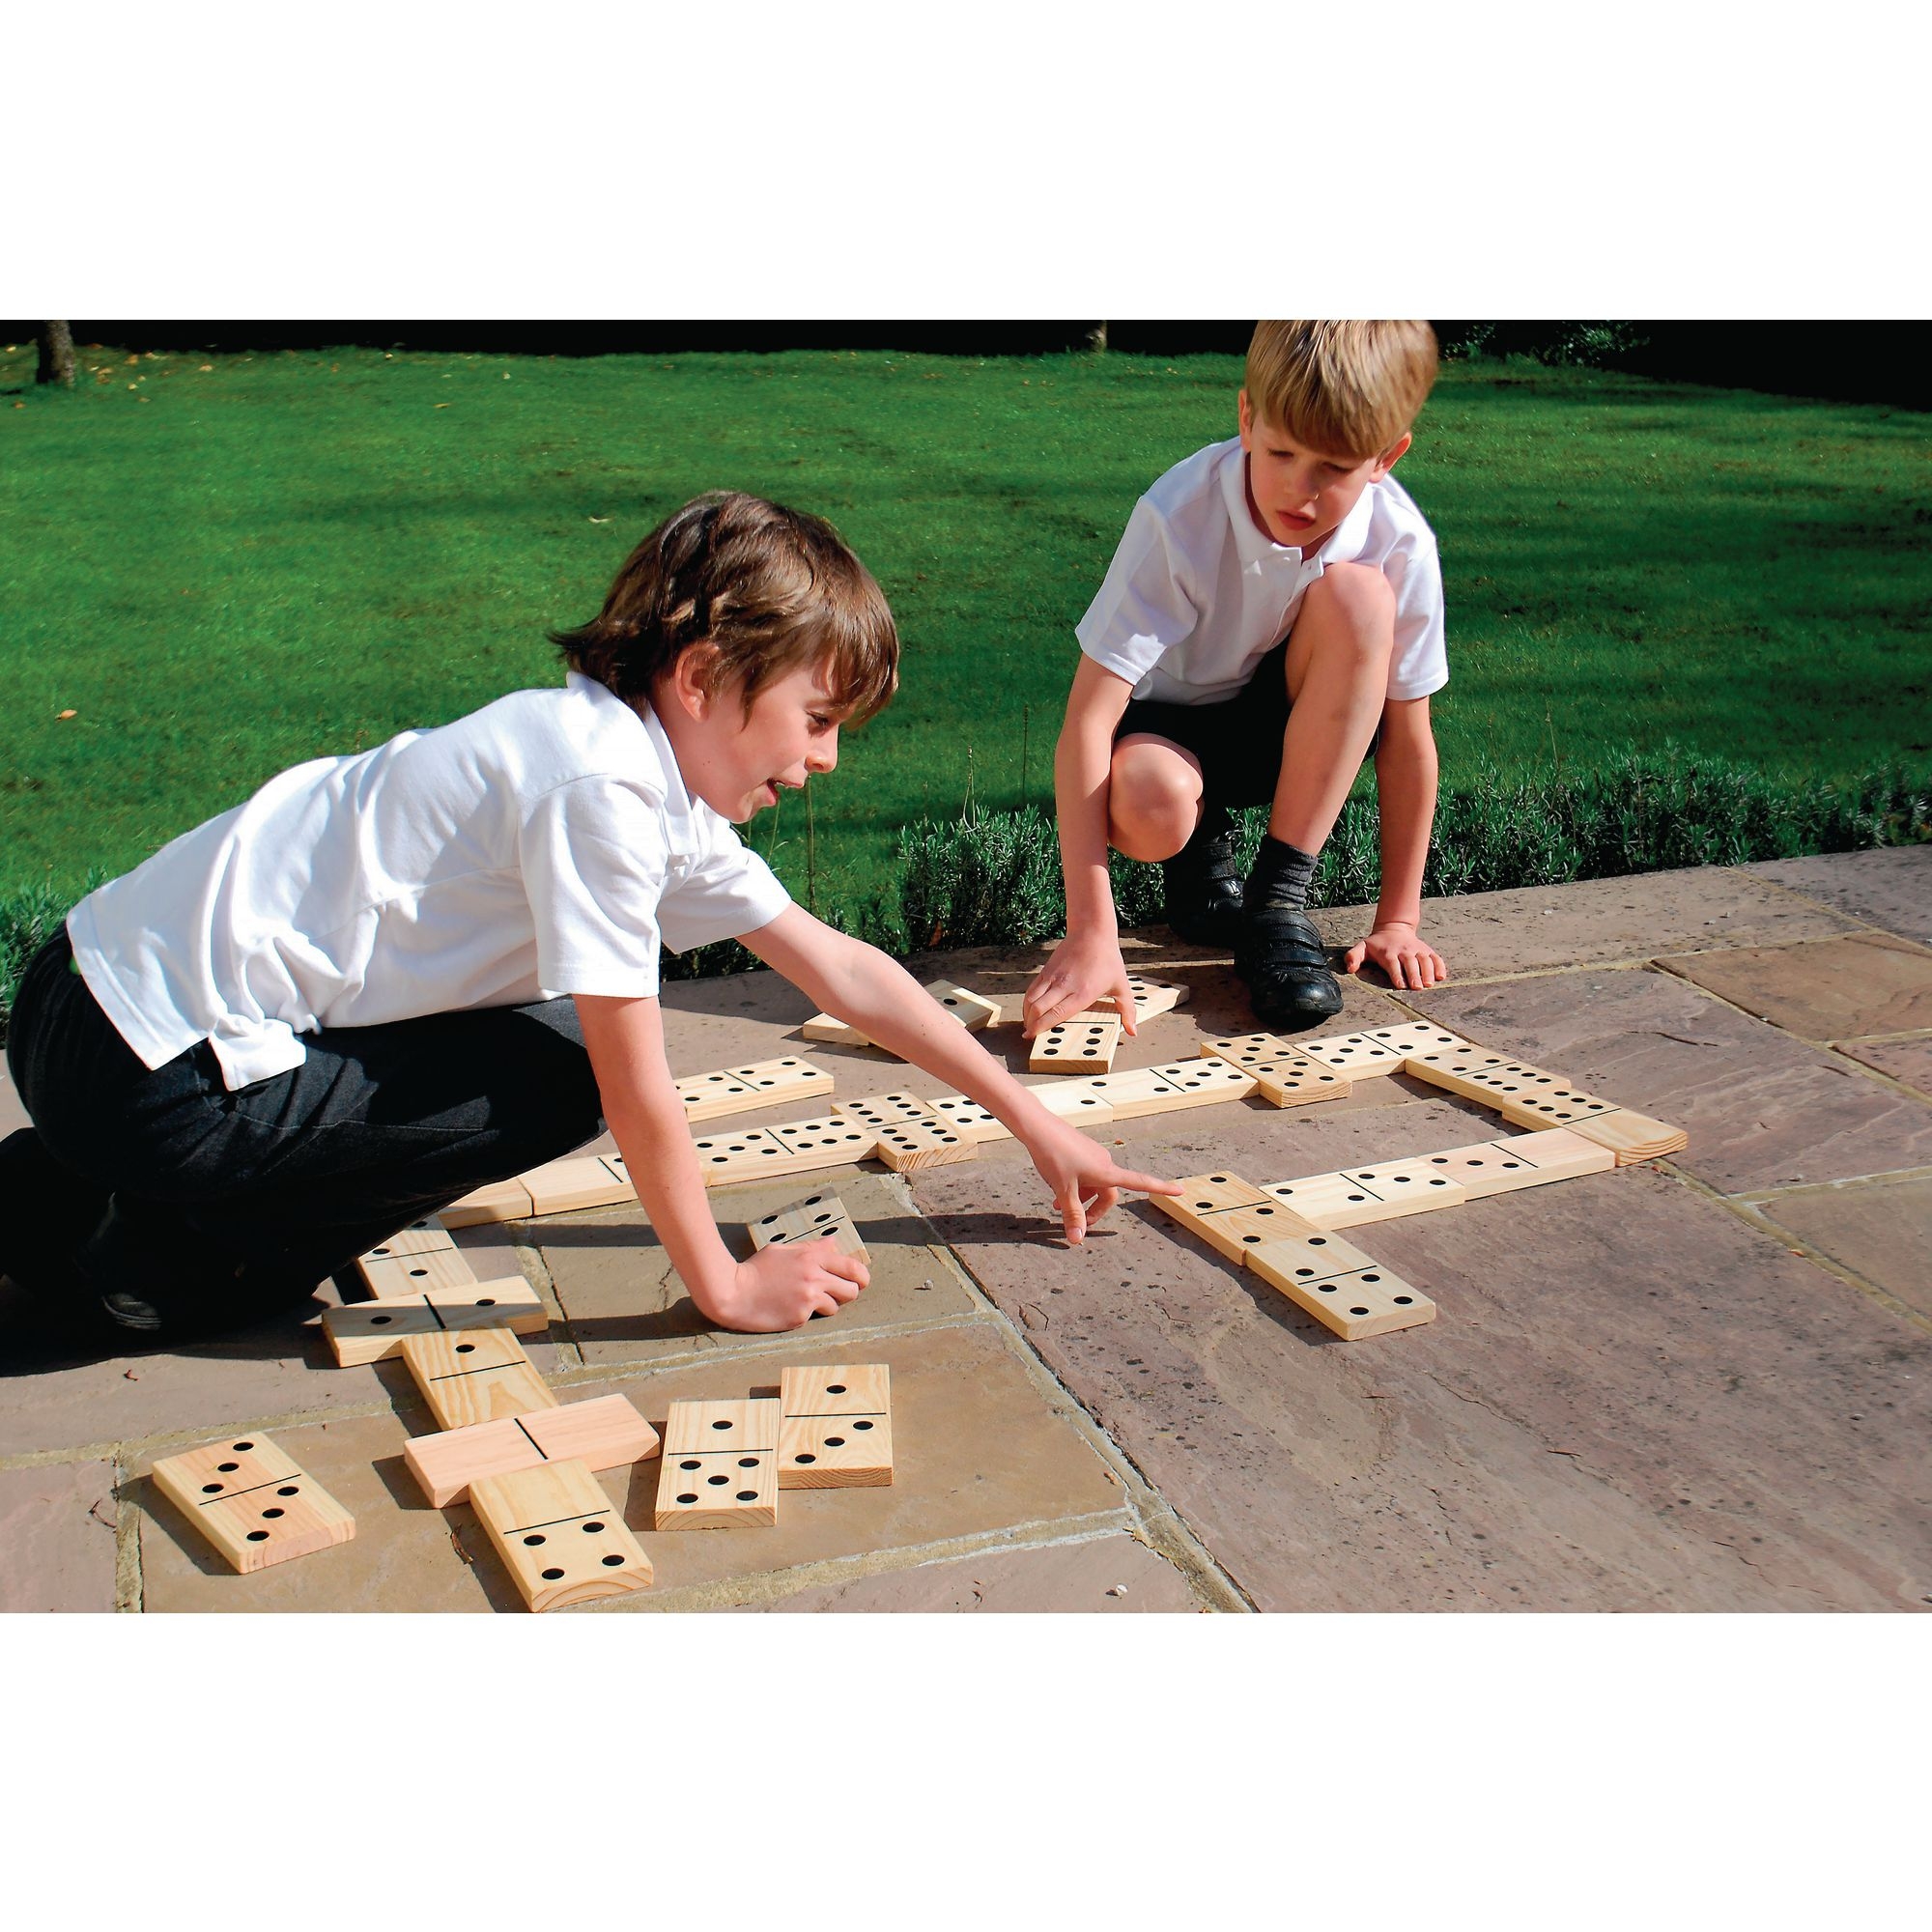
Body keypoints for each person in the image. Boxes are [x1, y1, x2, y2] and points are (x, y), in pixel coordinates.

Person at [3, 492, 1177, 1350]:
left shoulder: (613, 760)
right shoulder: (597, 793)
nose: (822, 759)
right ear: (704, 673)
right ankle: (149, 1272)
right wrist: (720, 1281)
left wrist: (1033, 1120)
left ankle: (40, 1195)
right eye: (815, 719)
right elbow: (634, 1082)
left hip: (86, 1003)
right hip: (142, 1075)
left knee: (540, 1035)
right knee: (562, 1067)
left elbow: (845, 972)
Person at [1023, 320, 1451, 1045]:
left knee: (1360, 599)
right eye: (1281, 452)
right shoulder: (1180, 515)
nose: (1300, 490)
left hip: (1282, 728)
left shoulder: (1400, 541)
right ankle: (1196, 857)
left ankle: (1278, 904)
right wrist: (1093, 932)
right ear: (1246, 416)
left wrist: (1398, 922)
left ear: (1387, 457)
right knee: (1154, 803)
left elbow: (1409, 740)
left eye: (1335, 468)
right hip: (1165, 727)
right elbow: (1089, 724)